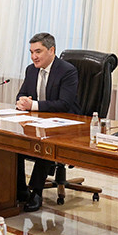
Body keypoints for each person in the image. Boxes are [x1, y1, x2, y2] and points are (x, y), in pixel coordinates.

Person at [14, 32, 80, 212]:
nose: (34, 57)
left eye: (38, 51)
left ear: (51, 50)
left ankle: (36, 192)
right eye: (31, 52)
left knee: (45, 145)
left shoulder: (67, 71)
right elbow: (22, 94)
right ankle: (20, 190)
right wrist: (22, 101)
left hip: (66, 124)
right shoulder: (31, 69)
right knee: (14, 141)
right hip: (40, 121)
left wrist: (33, 105)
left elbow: (64, 104)